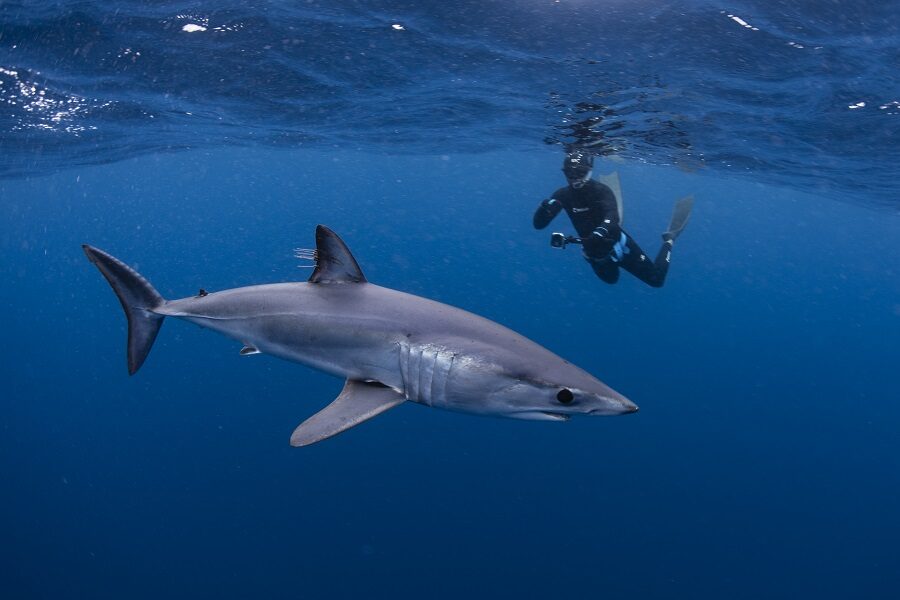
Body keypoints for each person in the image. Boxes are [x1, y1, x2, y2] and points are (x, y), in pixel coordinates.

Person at [532, 150, 693, 287]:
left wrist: (600, 231)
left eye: (580, 173)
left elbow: (612, 215)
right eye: (569, 173)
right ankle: (600, 258)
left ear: (589, 171)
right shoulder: (562, 195)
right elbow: (538, 225)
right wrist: (543, 210)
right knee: (611, 280)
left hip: (620, 245)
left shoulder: (601, 191)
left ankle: (669, 239)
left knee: (656, 280)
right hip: (596, 254)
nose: (574, 178)